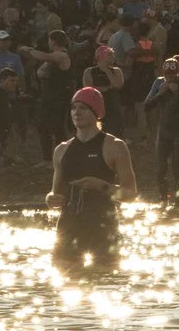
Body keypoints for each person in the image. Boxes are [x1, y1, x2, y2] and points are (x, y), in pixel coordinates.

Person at [49, 84, 137, 272]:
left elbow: (130, 194)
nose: (76, 112)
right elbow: (54, 193)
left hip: (102, 226)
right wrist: (51, 199)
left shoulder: (114, 146)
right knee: (66, 285)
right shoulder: (62, 149)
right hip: (69, 227)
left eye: (83, 108)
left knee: (106, 285)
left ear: (96, 113)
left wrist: (102, 186)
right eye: (73, 108)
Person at [142, 58, 179, 205]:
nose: (170, 78)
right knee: (161, 167)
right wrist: (160, 93)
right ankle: (163, 199)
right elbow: (146, 106)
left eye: (173, 75)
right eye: (167, 75)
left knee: (177, 167)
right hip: (164, 130)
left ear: (178, 72)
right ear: (163, 73)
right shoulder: (158, 83)